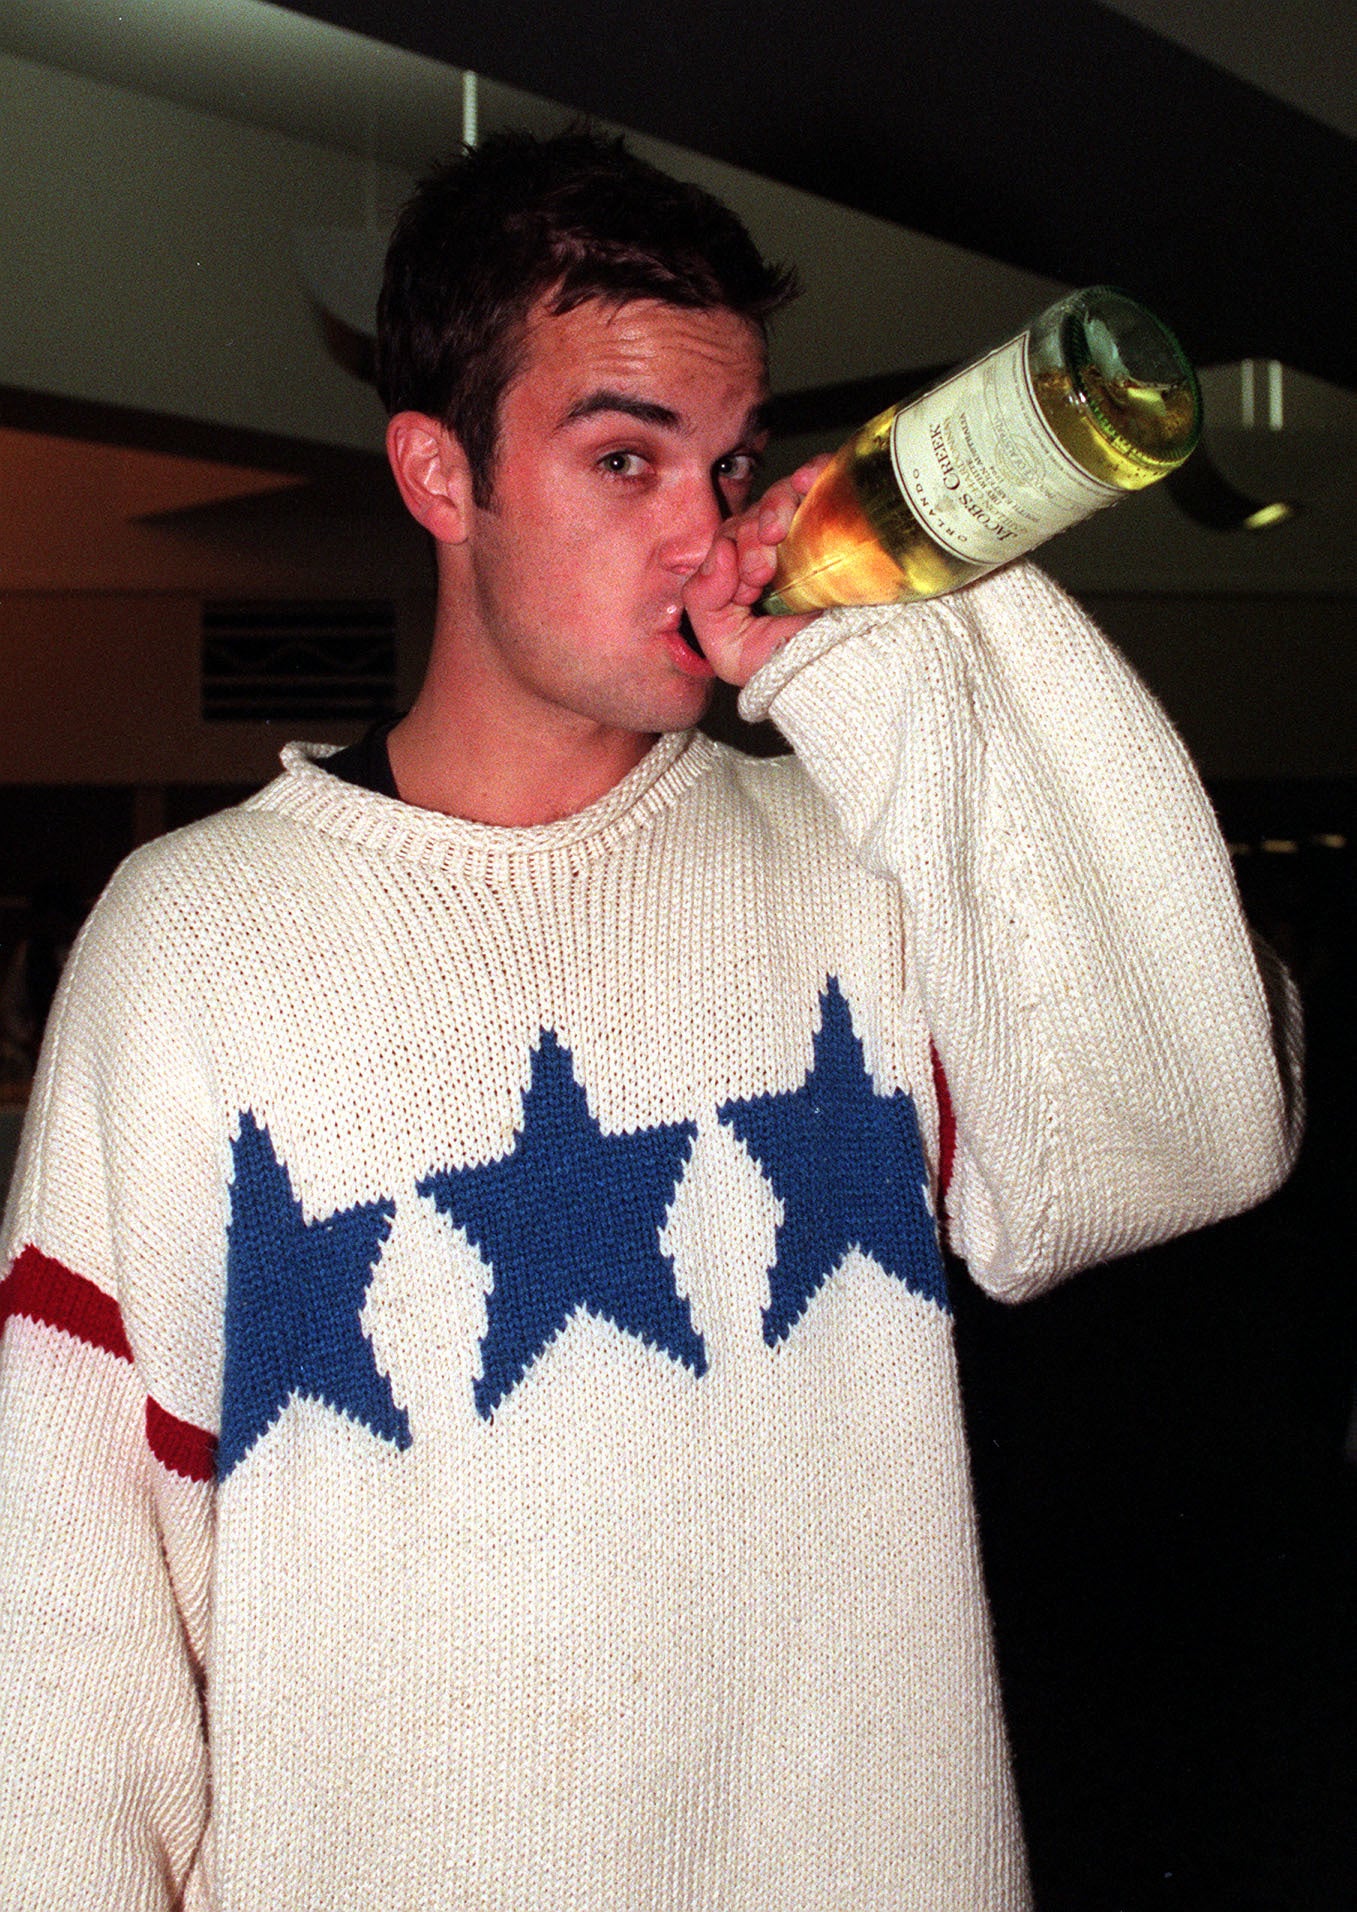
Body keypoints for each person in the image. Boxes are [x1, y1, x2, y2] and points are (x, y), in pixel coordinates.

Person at [0, 132, 1297, 1910]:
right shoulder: (198, 941)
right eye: (623, 457)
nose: (700, 526)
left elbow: (1186, 1139)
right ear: (439, 475)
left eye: (728, 461)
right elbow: (67, 1625)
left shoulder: (848, 865)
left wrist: (908, 648)